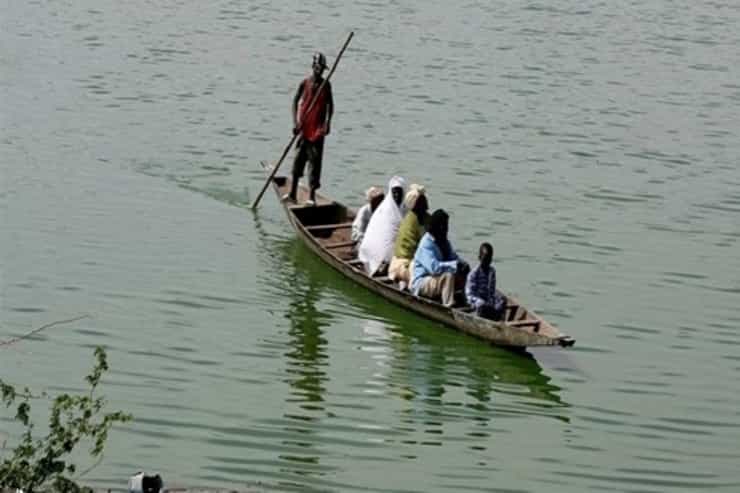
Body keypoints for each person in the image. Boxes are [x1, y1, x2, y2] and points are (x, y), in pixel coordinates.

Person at [283, 52, 334, 206]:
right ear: (313, 66)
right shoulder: (305, 83)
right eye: (318, 67)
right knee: (298, 160)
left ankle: (311, 197)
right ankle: (292, 194)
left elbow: (330, 105)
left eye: (322, 68)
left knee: (315, 162)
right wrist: (295, 123)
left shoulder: (326, 85)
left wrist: (327, 123)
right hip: (304, 128)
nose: (319, 70)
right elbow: (295, 101)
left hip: (317, 131)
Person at [411, 209, 468, 307]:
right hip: (422, 282)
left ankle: (465, 300)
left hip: (436, 279)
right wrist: (454, 265)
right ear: (437, 226)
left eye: (446, 225)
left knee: (463, 271)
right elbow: (434, 268)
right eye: (444, 226)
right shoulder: (426, 244)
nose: (446, 229)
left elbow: (453, 257)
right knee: (448, 276)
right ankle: (448, 305)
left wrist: (462, 264)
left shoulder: (444, 241)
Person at [358, 176, 407, 275]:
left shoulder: (405, 209)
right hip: (377, 251)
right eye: (394, 192)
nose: (397, 195)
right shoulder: (384, 210)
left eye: (399, 192)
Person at [389, 184, 428, 289]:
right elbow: (416, 248)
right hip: (404, 262)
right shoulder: (411, 221)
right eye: (422, 202)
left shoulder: (425, 218)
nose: (426, 204)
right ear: (415, 205)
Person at [466, 242, 508, 320]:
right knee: (482, 306)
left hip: (488, 302)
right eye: (485, 259)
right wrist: (480, 302)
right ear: (479, 257)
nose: (487, 262)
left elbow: (491, 291)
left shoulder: (492, 271)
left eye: (489, 259)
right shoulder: (473, 274)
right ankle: (492, 316)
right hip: (477, 305)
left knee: (503, 299)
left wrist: (492, 303)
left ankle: (499, 318)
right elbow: (469, 296)